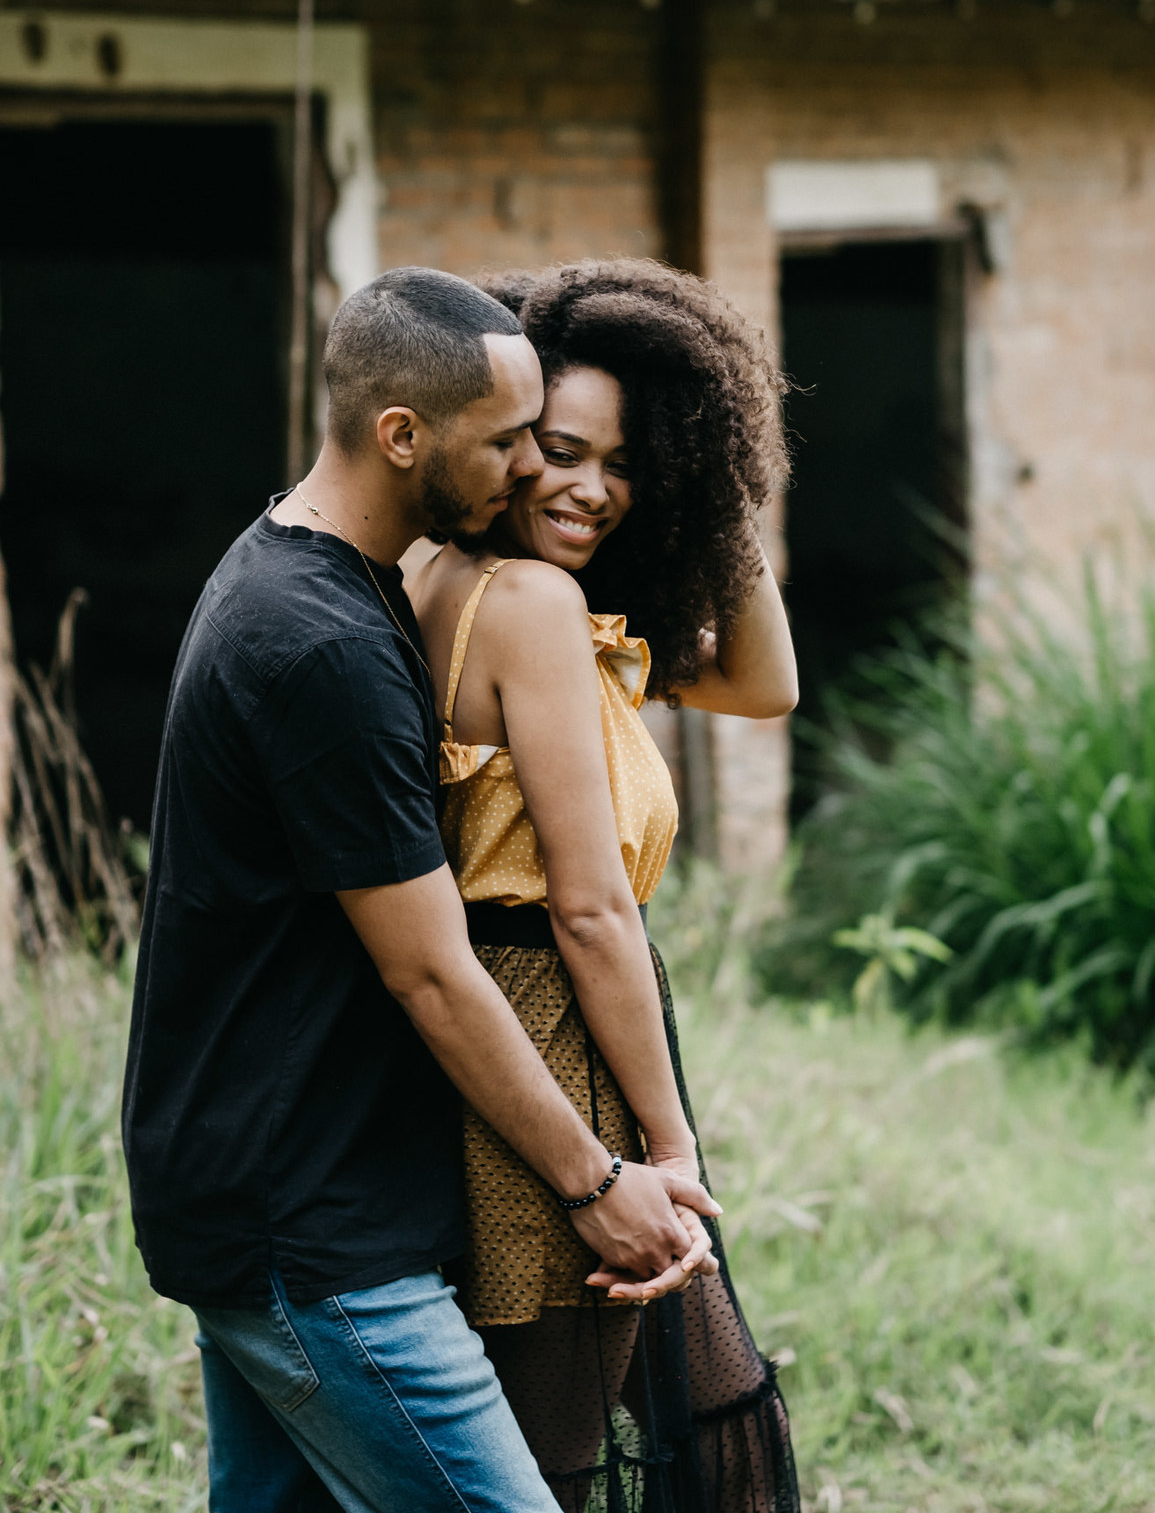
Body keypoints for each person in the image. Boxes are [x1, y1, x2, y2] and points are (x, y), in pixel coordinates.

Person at [121, 266, 720, 1513]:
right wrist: (600, 1186)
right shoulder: (325, 644)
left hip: (275, 1195)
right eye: (508, 441)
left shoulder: (312, 575)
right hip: (310, 1230)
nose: (527, 472)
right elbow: (433, 972)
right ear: (403, 436)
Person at [404, 257, 802, 1512]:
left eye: (628, 463)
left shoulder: (526, 605)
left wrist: (708, 488)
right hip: (544, 1042)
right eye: (560, 450)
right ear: (505, 442)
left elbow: (762, 681)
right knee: (573, 1452)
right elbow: (586, 908)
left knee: (687, 1410)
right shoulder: (517, 606)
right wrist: (673, 1141)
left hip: (562, 1034)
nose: (591, 490)